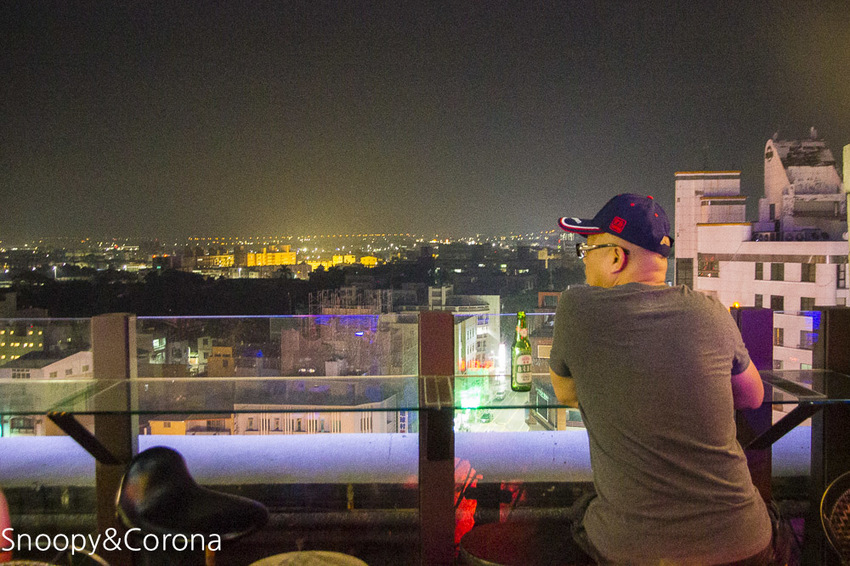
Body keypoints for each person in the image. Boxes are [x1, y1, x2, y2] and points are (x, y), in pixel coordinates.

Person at [548, 193, 774, 565]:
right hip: (743, 544)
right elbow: (752, 395)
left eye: (587, 249)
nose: (584, 261)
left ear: (616, 257)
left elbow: (566, 392)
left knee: (579, 514)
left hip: (637, 551)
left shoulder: (576, 309)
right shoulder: (712, 312)